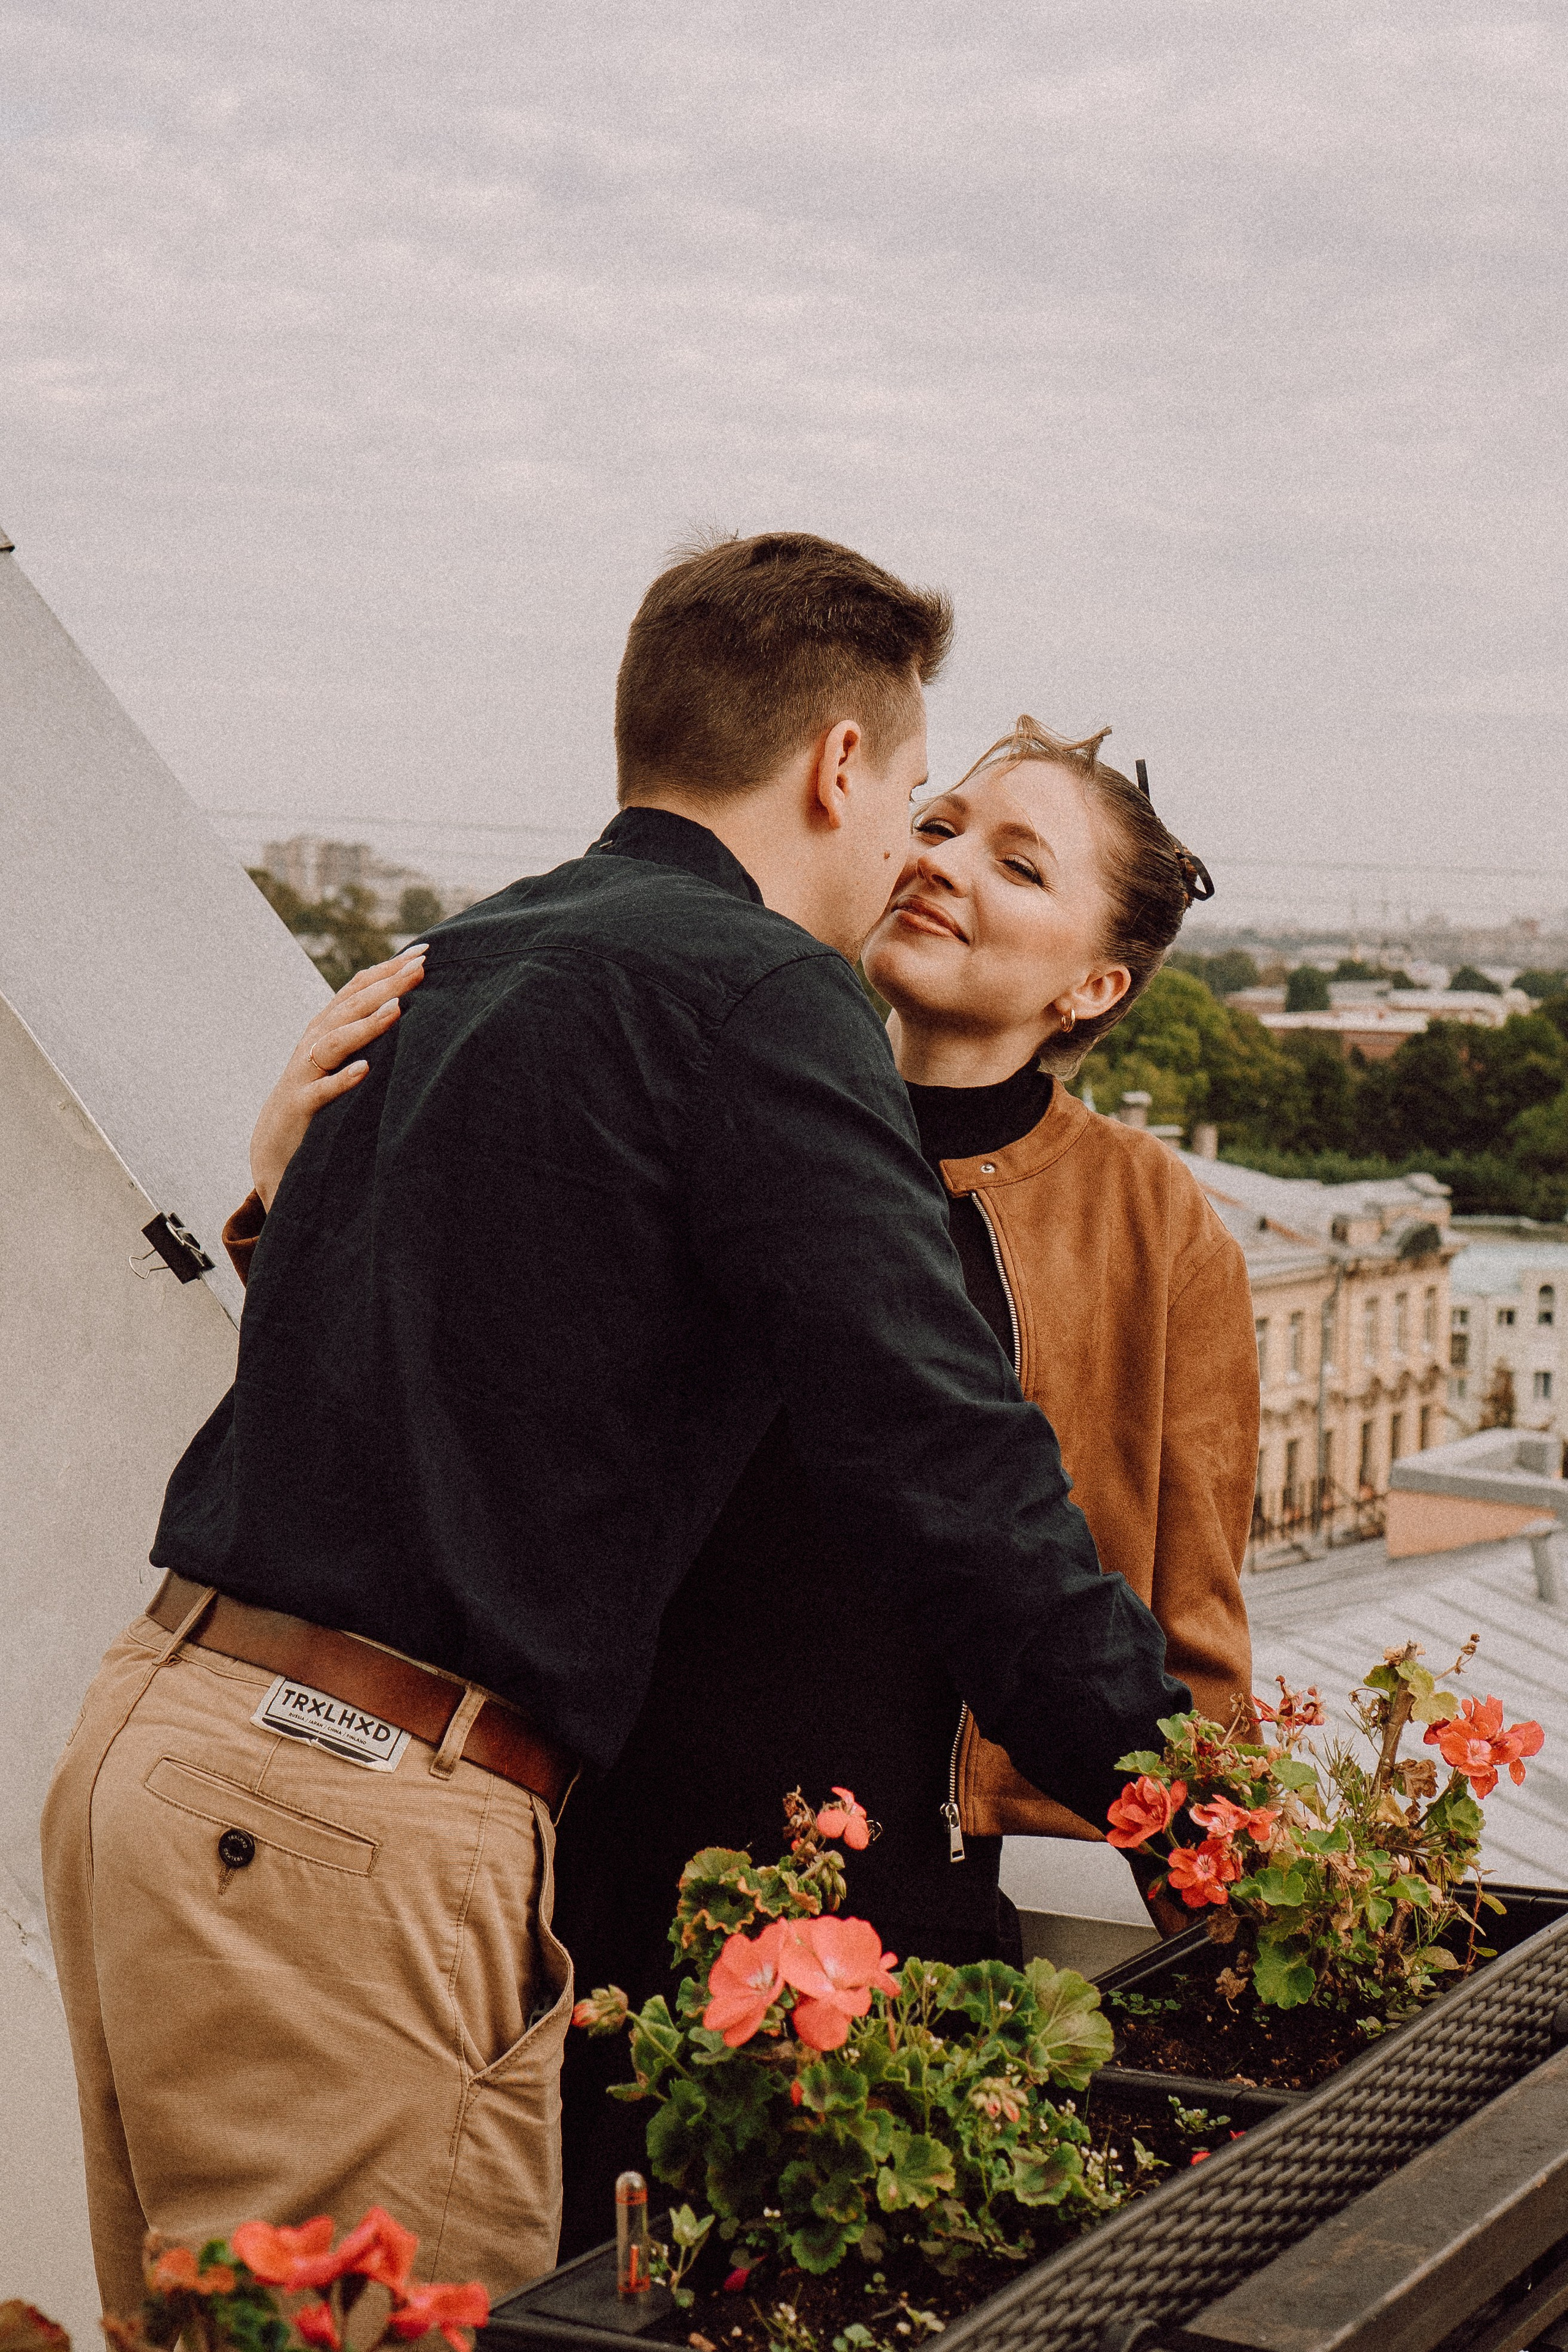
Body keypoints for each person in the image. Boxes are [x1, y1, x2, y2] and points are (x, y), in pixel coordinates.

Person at [42, 533, 1186, 2315]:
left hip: (159, 1751)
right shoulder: (758, 994)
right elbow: (948, 1456)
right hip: (353, 1815)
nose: (911, 850)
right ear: (834, 766)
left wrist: (277, 1203)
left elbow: (467, 1358)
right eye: (913, 797)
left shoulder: (470, 953)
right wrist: (1186, 1800)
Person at [230, 718, 1259, 2260]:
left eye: (1016, 861)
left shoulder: (1155, 1225)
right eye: (945, 819)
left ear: (1091, 987)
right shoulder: (724, 1078)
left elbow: (1191, 1611)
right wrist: (283, 1203)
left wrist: (1238, 1881)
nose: (941, 862)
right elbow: (460, 1372)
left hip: (911, 1889)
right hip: (599, 1852)